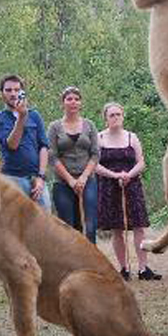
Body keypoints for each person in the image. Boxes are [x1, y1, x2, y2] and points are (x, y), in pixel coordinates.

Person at [96, 102, 161, 281]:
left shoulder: (132, 137)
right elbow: (95, 164)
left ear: (123, 116)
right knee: (117, 229)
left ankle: (143, 268)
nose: (116, 118)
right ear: (106, 118)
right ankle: (124, 269)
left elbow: (141, 162)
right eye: (112, 115)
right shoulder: (99, 138)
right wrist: (114, 175)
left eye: (118, 114)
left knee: (139, 228)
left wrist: (128, 175)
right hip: (109, 187)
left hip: (131, 186)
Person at [0, 74, 51, 210]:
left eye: (17, 90)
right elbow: (12, 145)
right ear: (1, 94)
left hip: (36, 179)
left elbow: (44, 147)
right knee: (15, 226)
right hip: (12, 179)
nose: (13, 94)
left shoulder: (34, 115)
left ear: (22, 93)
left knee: (44, 223)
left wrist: (41, 177)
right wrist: (21, 117)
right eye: (8, 90)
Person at [48, 87, 100, 243]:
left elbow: (95, 153)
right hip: (63, 183)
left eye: (77, 99)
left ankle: (91, 264)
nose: (73, 102)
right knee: (68, 227)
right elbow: (52, 156)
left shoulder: (89, 125)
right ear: (63, 103)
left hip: (87, 181)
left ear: (81, 103)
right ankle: (72, 265)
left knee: (90, 225)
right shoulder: (54, 127)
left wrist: (83, 178)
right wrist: (70, 180)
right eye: (69, 99)